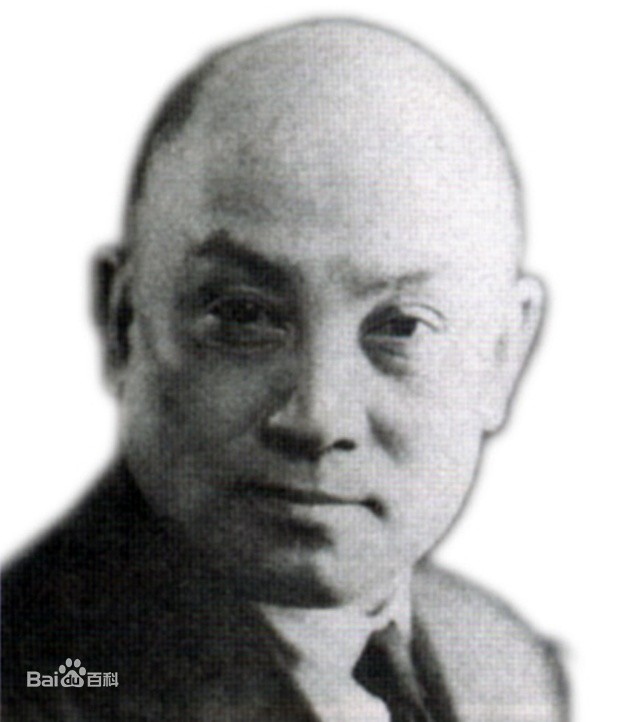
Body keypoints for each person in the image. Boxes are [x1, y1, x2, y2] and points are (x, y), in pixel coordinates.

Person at [1, 18, 567, 722]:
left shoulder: (505, 666)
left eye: (401, 327)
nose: (318, 419)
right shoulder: (40, 679)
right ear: (125, 324)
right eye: (244, 315)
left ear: (503, 357)